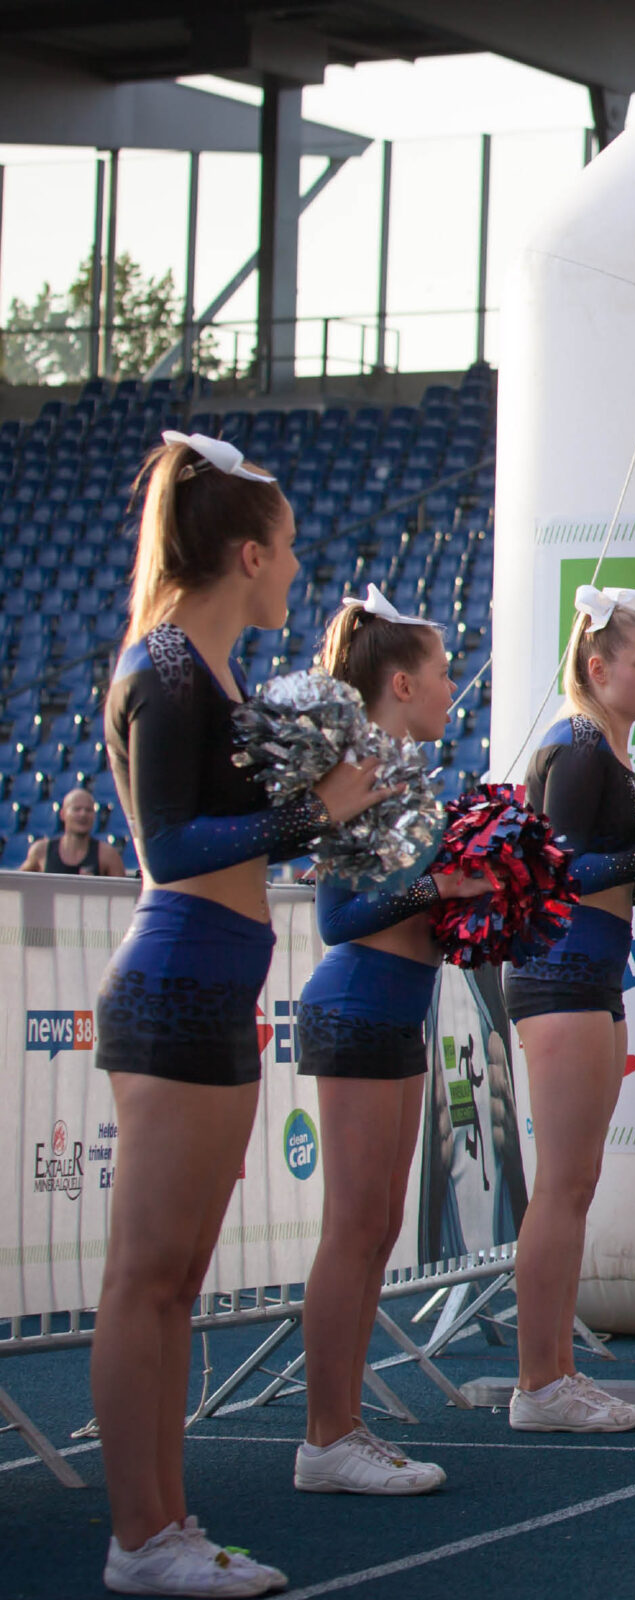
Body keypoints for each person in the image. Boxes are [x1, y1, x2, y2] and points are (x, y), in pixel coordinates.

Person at [94, 432, 390, 1596]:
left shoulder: (205, 672)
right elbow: (170, 847)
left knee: (176, 1283)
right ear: (247, 551)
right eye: (291, 553)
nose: (297, 575)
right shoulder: (163, 666)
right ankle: (140, 1537)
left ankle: (166, 1523)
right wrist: (313, 813)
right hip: (173, 983)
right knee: (148, 1278)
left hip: (213, 986)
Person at [291, 587, 492, 1495]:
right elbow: (339, 916)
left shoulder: (405, 778)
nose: (456, 686)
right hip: (357, 1004)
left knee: (375, 1232)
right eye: (445, 673)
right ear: (403, 684)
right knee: (356, 1228)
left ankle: (341, 1426)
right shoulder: (366, 772)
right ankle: (326, 1435)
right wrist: (439, 892)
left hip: (390, 1011)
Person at [503, 586, 635, 1434]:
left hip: (591, 974)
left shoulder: (600, 746)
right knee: (561, 1187)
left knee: (575, 1185)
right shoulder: (579, 748)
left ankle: (556, 1372)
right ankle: (539, 1383)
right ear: (598, 668)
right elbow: (551, 875)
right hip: (560, 973)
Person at [23, 787, 127, 876]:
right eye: (77, 809)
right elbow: (17, 885)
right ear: (62, 814)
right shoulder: (41, 851)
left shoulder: (108, 855)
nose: (83, 814)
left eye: (88, 810)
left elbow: (123, 895)